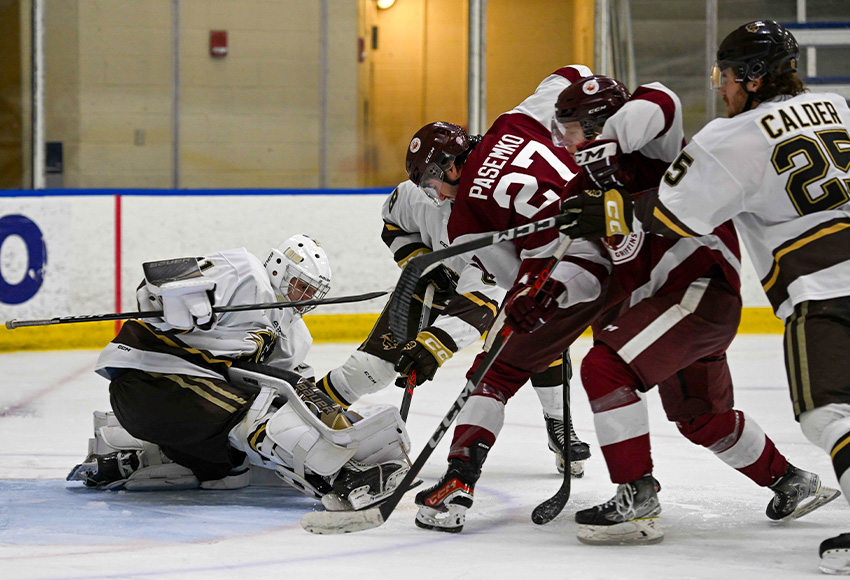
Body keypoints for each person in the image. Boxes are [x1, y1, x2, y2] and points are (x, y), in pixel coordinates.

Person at [560, 20, 850, 570]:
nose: (722, 87)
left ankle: (636, 499)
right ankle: (791, 481)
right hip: (702, 299)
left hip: (775, 290)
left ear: (754, 77)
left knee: (828, 414)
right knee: (700, 415)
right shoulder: (838, 107)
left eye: (729, 76)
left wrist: (610, 200)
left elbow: (672, 201)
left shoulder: (728, 135)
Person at [405, 64, 609, 533]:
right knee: (633, 366)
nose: (435, 196)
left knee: (490, 376)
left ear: (451, 167)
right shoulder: (516, 120)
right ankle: (638, 487)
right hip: (623, 236)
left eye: (432, 183)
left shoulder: (463, 221)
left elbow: (512, 277)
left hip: (566, 273)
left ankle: (457, 482)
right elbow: (572, 73)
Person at [67, 235, 411, 511]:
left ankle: (133, 459)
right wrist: (174, 299)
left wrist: (348, 387)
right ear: (277, 268)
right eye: (300, 285)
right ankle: (340, 474)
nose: (303, 298)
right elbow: (155, 280)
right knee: (253, 415)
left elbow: (290, 398)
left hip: (178, 412)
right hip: (151, 380)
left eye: (311, 293)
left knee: (231, 472)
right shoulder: (245, 273)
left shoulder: (295, 337)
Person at [316, 174, 589, 477]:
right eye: (427, 180)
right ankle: (311, 411)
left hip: (503, 287)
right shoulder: (415, 192)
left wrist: (431, 347)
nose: (435, 193)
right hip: (434, 280)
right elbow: (393, 222)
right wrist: (423, 262)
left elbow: (479, 304)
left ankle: (559, 425)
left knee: (540, 343)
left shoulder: (485, 217)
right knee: (372, 367)